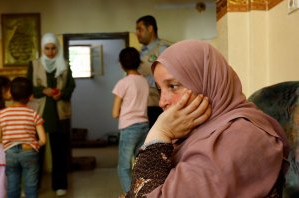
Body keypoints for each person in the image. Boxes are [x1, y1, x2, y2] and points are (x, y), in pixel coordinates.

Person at [125, 40, 289, 197]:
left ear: (207, 83)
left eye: (173, 86)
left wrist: (160, 132)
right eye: (160, 89)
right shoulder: (196, 132)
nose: (162, 102)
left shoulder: (241, 137)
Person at [27, 33, 75, 196]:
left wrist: (61, 93)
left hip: (59, 113)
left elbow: (71, 86)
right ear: (42, 48)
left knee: (59, 151)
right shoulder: (34, 65)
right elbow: (28, 87)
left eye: (53, 48)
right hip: (39, 113)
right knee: (37, 152)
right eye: (47, 48)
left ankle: (60, 184)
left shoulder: (64, 64)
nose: (50, 52)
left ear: (57, 48)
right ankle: (35, 185)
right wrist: (43, 90)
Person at [0, 77, 47, 198]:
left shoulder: (2, 114)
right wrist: (33, 144)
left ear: (10, 94)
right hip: (29, 151)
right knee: (31, 187)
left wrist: (10, 140)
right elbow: (43, 140)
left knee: (12, 188)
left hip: (10, 154)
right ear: (30, 96)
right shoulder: (33, 113)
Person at [112, 47, 150, 193]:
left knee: (123, 167)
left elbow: (115, 113)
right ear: (138, 62)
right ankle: (142, 193)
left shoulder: (123, 83)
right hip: (144, 126)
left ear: (121, 64)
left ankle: (131, 196)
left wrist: (125, 110)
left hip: (129, 128)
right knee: (140, 165)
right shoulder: (144, 81)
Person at [136, 15, 170, 128]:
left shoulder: (162, 49)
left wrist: (143, 81)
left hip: (157, 103)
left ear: (150, 29)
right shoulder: (140, 52)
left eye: (140, 29)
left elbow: (169, 77)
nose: (137, 33)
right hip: (142, 104)